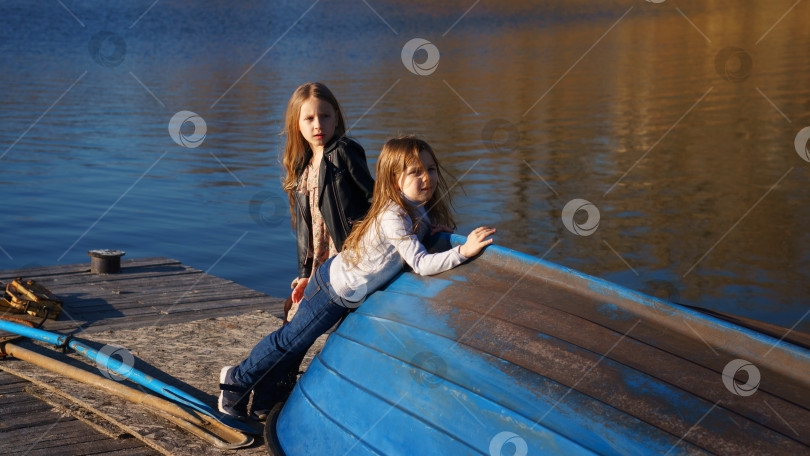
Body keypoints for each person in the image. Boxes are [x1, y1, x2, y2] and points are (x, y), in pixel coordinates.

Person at [218, 136, 496, 420]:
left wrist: (430, 233)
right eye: (415, 172)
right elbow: (422, 264)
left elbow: (412, 244)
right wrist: (463, 251)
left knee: (296, 344)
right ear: (394, 179)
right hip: (332, 291)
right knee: (291, 341)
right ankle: (236, 380)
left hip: (344, 290)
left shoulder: (415, 209)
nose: (427, 177)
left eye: (431, 169)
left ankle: (266, 400)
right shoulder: (393, 216)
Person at [249, 82, 374, 420]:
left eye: (325, 116)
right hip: (319, 265)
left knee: (301, 329)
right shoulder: (302, 166)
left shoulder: (344, 152)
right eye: (309, 119)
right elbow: (306, 232)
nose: (318, 125)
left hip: (345, 261)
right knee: (292, 319)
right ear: (297, 125)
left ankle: (268, 392)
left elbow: (374, 200)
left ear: (337, 119)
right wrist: (303, 275)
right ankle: (271, 392)